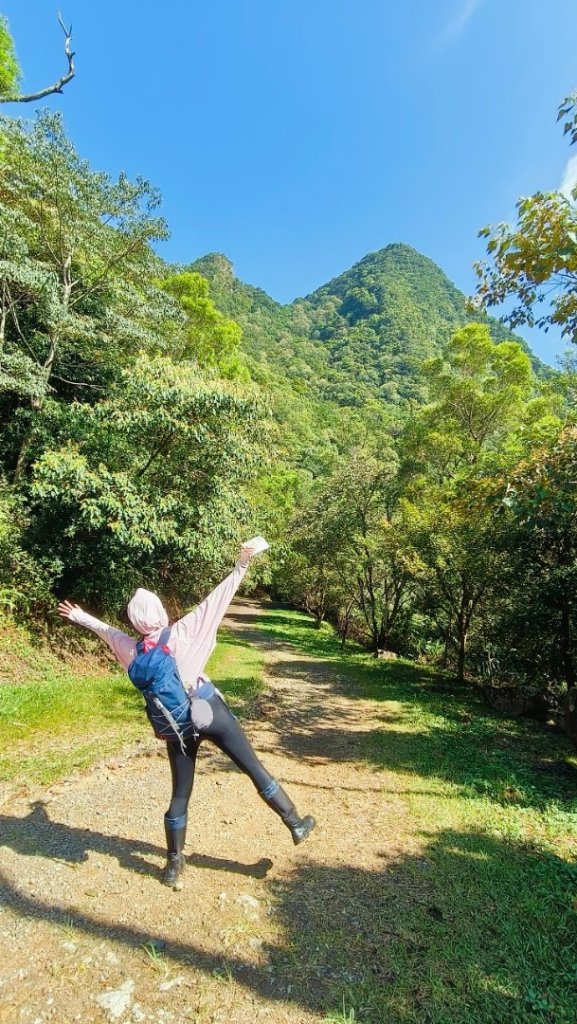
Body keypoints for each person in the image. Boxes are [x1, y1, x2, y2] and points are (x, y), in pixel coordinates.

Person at [57, 541, 316, 889]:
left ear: (135, 621)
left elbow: (106, 631)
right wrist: (241, 563)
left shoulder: (132, 650)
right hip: (207, 708)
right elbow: (218, 599)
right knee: (253, 767)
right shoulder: (183, 631)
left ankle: (174, 866)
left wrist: (78, 616)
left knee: (180, 793)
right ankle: (295, 823)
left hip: (176, 725)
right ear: (161, 613)